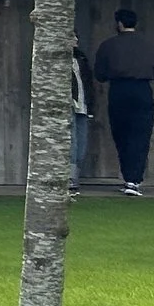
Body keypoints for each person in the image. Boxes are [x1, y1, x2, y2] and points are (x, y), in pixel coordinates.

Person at [93, 8, 154, 197]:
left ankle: (128, 178)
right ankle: (134, 180)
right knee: (141, 135)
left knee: (121, 134)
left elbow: (99, 74)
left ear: (119, 24)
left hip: (119, 89)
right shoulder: (148, 45)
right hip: (142, 90)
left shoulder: (108, 45)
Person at [71, 42, 95, 193]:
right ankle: (70, 178)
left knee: (81, 141)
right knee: (71, 140)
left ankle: (75, 176)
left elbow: (87, 82)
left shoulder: (81, 58)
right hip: (69, 104)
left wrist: (90, 105)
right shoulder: (55, 61)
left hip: (82, 104)